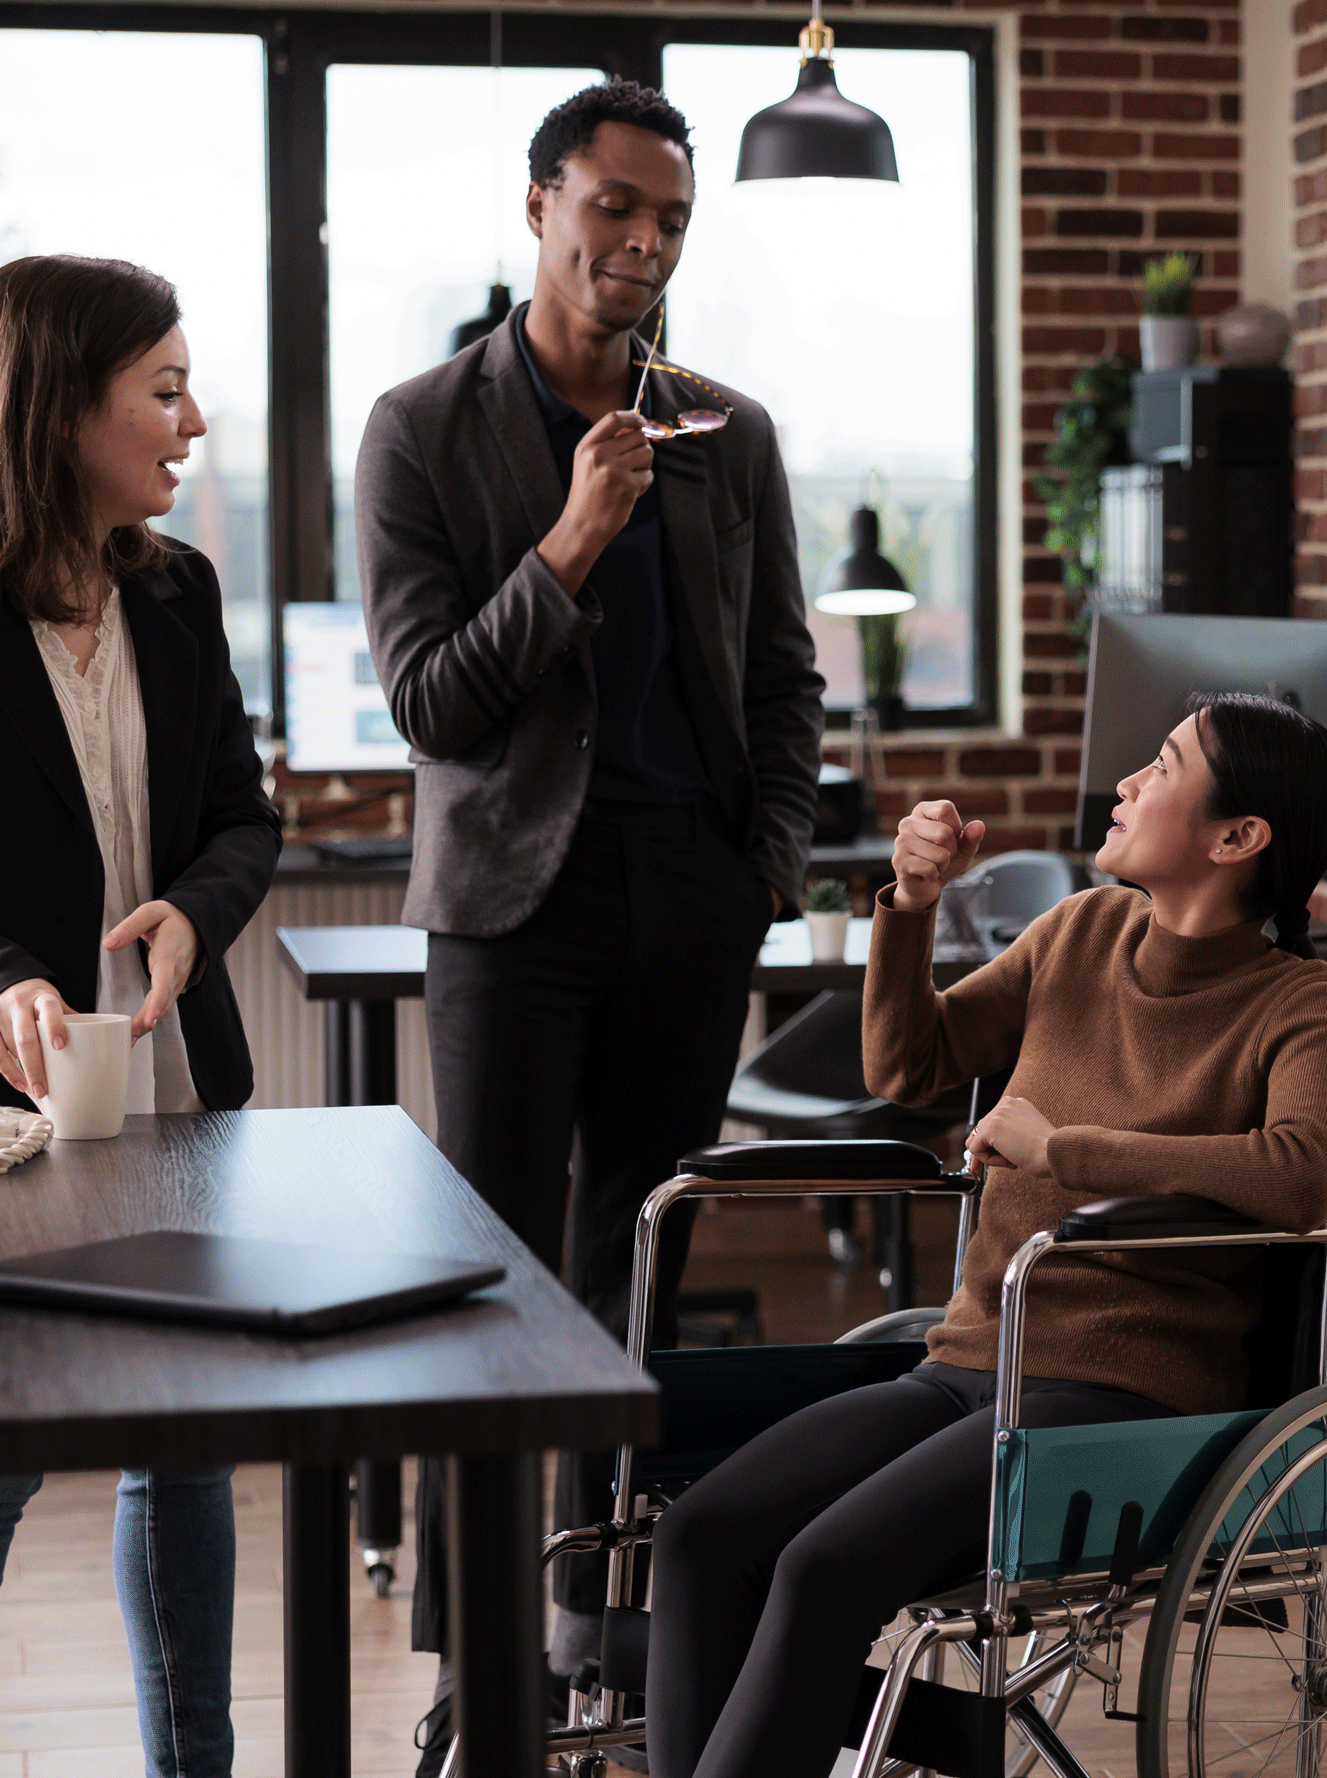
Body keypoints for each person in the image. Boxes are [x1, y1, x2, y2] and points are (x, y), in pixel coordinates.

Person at [355, 75, 824, 1770]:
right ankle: (481, 1651)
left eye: (671, 219)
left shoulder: (730, 429)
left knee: (636, 1271)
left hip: (689, 893)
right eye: (614, 207)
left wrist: (763, 860)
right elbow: (430, 706)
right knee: (491, 1280)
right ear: (542, 204)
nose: (641, 242)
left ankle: (594, 1631)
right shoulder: (423, 427)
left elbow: (782, 678)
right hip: (506, 909)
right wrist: (567, 540)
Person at [645, 692, 1327, 1778]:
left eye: (1159, 766)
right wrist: (910, 903)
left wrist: (1071, 1149)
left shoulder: (1297, 1005)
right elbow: (908, 1067)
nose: (1124, 784)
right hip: (969, 1361)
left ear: (1238, 837)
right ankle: (935, 1733)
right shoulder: (1079, 932)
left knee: (821, 1570)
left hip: (1118, 1399)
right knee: (699, 1538)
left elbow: (1303, 1170)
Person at [0, 254, 283, 1778]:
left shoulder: (181, 593)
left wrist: (194, 906)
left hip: (174, 1088)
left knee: (184, 1452)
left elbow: (245, 818)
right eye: (161, 390)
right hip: (7, 1121)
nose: (191, 418)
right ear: (61, 410)